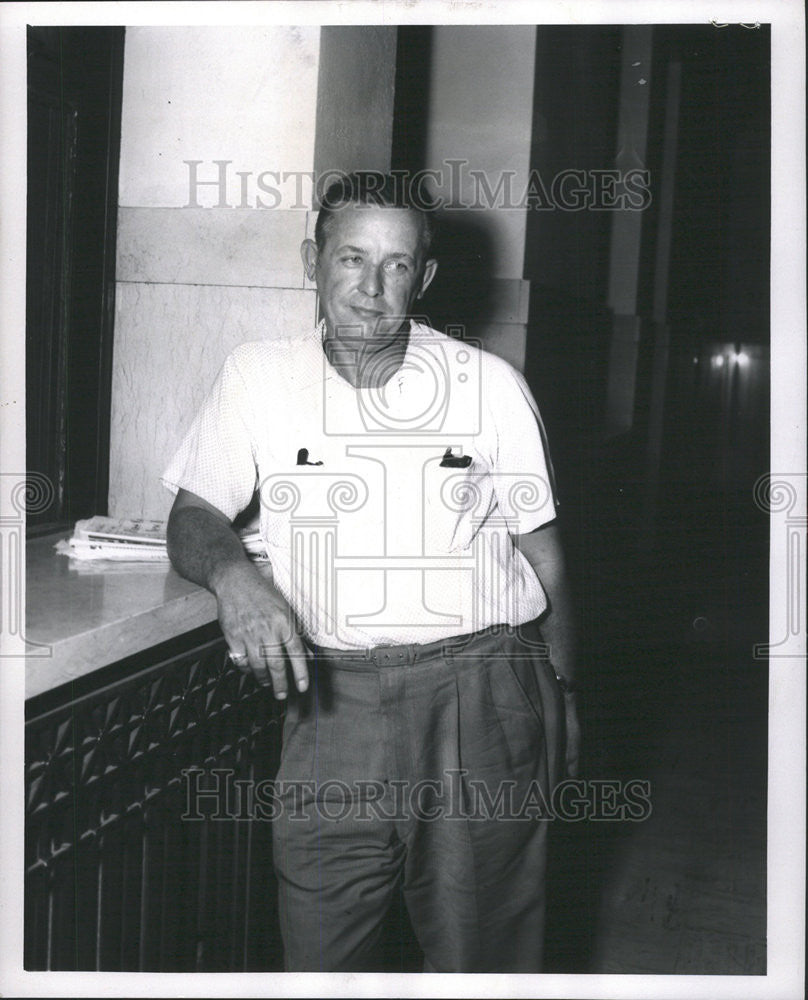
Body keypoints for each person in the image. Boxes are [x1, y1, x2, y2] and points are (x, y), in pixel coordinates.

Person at [162, 172, 580, 973]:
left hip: (482, 696)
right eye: (352, 258)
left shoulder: (489, 386)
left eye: (396, 265)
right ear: (311, 260)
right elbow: (194, 517)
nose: (371, 286)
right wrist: (236, 581)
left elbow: (548, 556)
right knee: (322, 952)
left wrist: (568, 696)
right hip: (331, 705)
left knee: (484, 955)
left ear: (423, 277)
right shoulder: (257, 374)